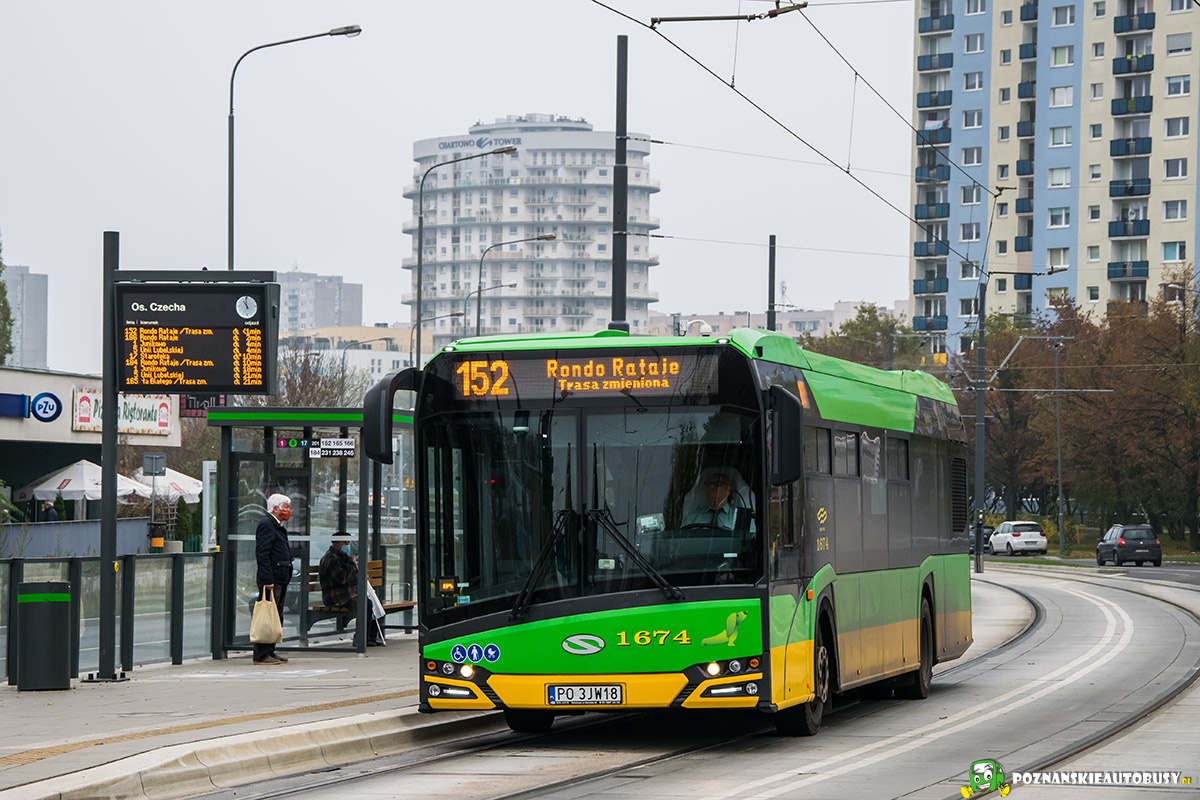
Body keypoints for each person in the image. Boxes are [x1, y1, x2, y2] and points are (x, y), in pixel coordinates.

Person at [319, 532, 384, 646]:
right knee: (366, 604)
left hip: (349, 593)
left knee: (375, 603)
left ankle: (370, 636)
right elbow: (342, 579)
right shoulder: (331, 559)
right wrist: (351, 563)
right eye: (344, 542)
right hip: (338, 596)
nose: (347, 544)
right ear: (336, 543)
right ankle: (360, 638)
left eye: (348, 542)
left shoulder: (344, 557)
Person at [254, 493, 293, 665]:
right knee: (268, 615)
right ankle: (261, 653)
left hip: (281, 576)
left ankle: (270, 650)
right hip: (272, 578)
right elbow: (262, 554)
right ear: (276, 508)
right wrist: (267, 579)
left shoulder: (277, 525)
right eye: (286, 507)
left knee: (276, 614)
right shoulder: (267, 524)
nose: (288, 511)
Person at [681, 468, 754, 531]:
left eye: (717, 484)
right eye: (708, 484)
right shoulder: (692, 519)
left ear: (729, 489)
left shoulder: (742, 520)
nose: (711, 487)